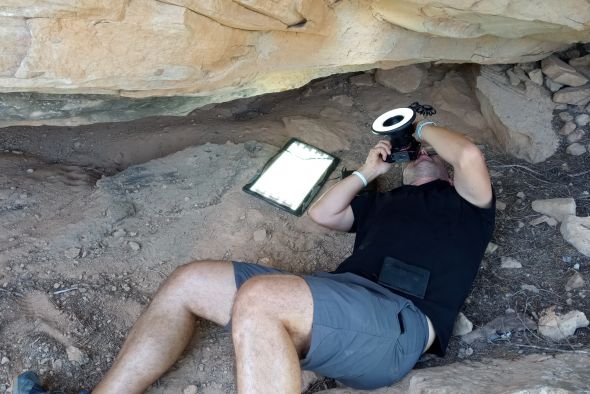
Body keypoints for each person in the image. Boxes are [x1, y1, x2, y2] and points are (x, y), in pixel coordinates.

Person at [14, 120, 494, 394]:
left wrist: (422, 124)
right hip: (337, 306)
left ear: (447, 173)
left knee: (261, 298)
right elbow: (324, 215)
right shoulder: (383, 204)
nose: (421, 156)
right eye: (416, 155)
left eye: (429, 155)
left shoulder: (468, 208)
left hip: (399, 324)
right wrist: (368, 173)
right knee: (190, 282)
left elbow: (469, 155)